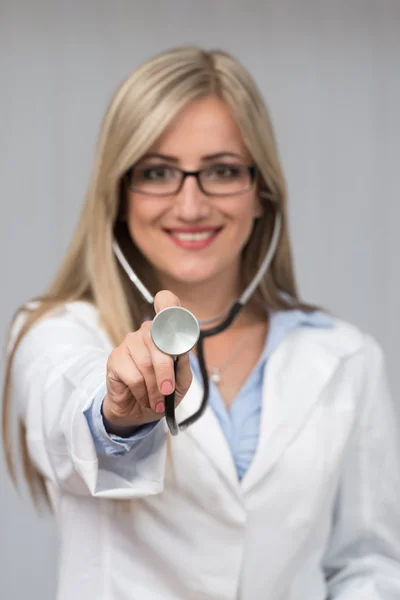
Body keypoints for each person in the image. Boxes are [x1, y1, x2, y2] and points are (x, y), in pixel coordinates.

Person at [3, 46, 400, 600]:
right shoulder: (55, 334)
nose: (191, 206)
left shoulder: (348, 357)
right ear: (118, 195)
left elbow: (367, 566)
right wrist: (120, 415)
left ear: (262, 192)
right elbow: (69, 413)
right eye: (158, 172)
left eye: (221, 171)